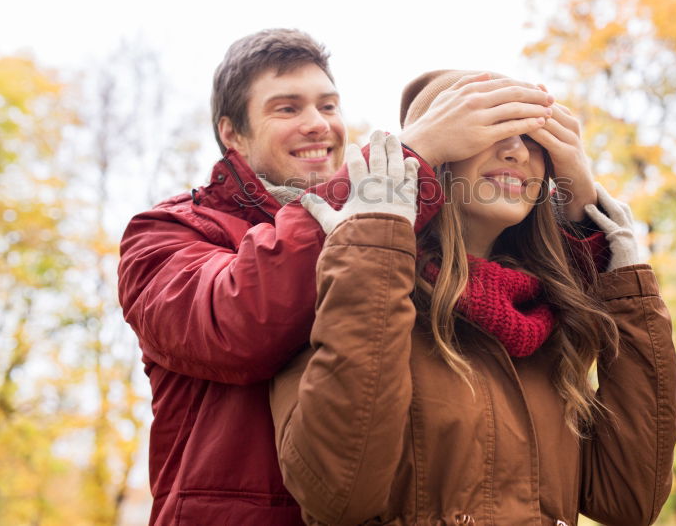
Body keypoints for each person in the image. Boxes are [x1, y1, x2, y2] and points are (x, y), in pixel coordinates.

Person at [117, 33, 608, 525]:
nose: (318, 124)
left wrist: (583, 215)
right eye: (287, 108)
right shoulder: (167, 234)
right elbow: (240, 324)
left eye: (328, 105)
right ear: (232, 133)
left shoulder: (398, 231)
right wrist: (410, 158)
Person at [270, 70, 676, 525]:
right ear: (436, 152)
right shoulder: (351, 281)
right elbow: (338, 495)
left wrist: (618, 273)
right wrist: (371, 248)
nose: (515, 150)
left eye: (533, 139)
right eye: (492, 128)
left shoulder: (554, 323)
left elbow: (630, 501)